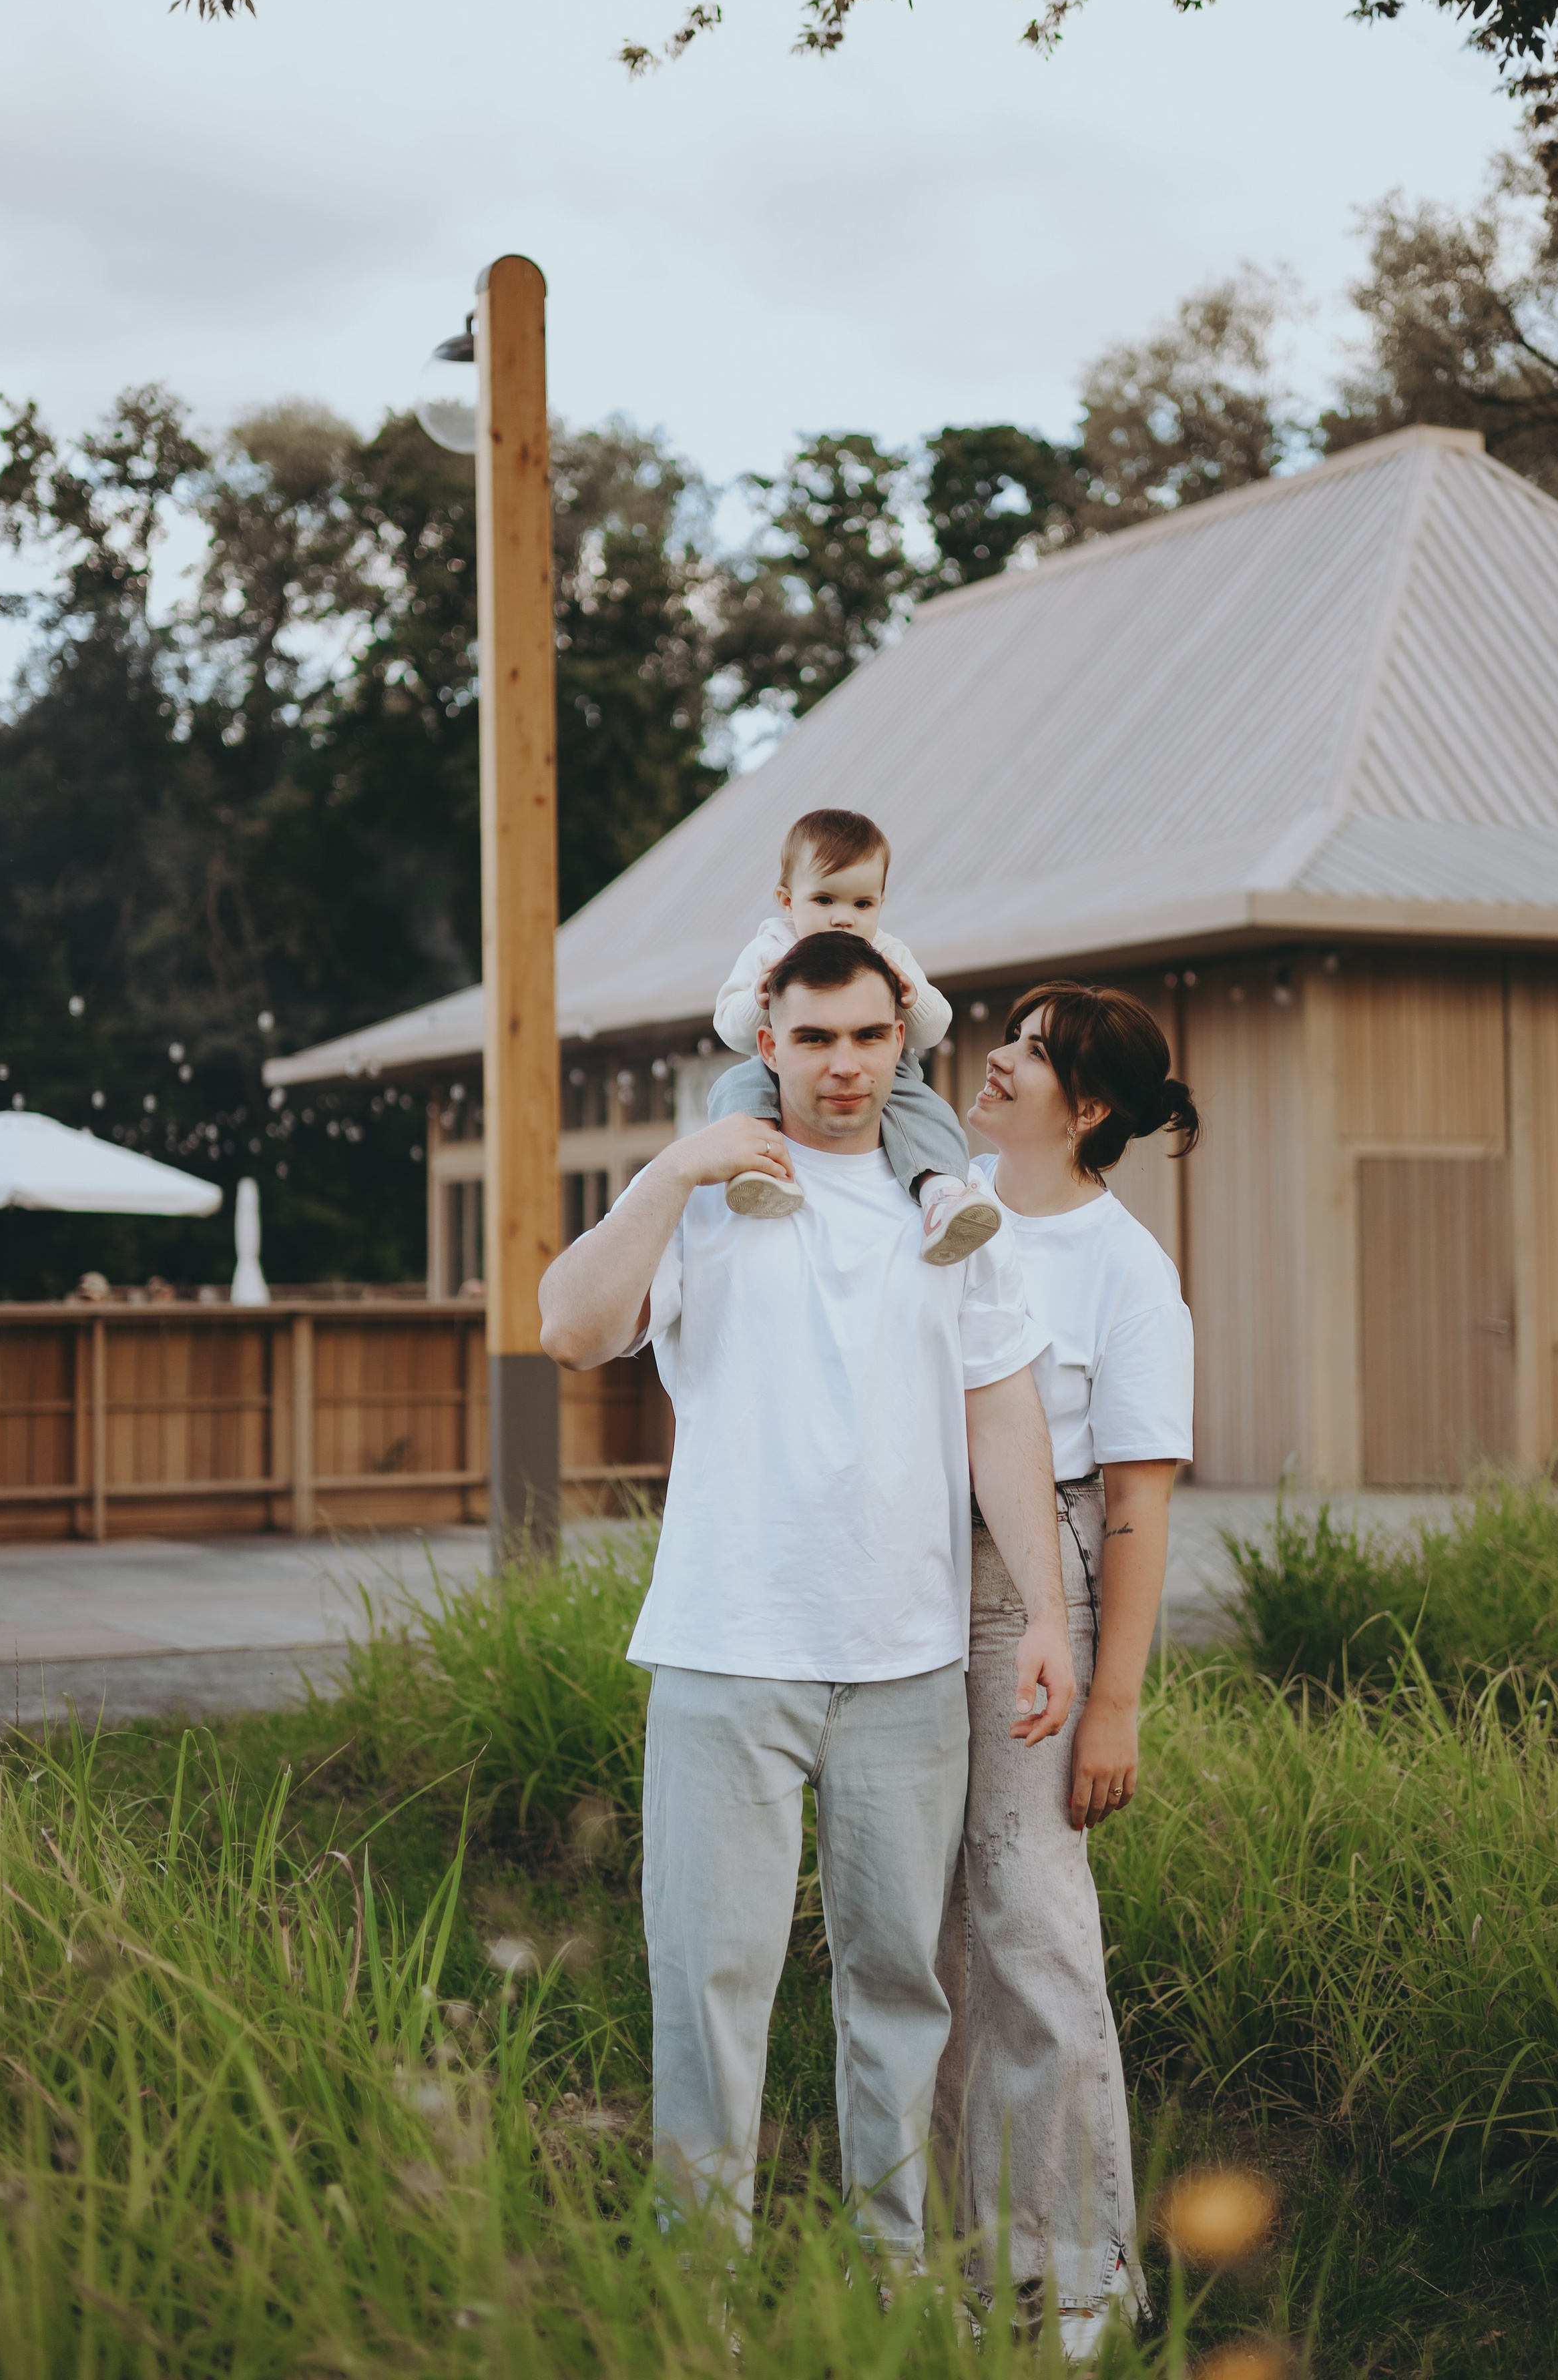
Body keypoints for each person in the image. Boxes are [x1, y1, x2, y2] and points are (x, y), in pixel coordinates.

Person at [538, 928, 1075, 2268]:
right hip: (727, 1652)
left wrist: (1054, 1619)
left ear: (905, 1042)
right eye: (813, 1037)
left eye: (866, 1038)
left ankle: (885, 2275)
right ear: (763, 1040)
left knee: (898, 1987)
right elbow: (568, 1326)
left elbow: (1003, 1422)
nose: (841, 1065)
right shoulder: (711, 1194)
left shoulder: (948, 1206)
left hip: (905, 1662)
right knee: (708, 1985)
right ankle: (697, 2286)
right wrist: (668, 1171)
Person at [934, 981, 1199, 2359]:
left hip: (1039, 1599)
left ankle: (1071, 2276)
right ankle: (956, 2260)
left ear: (1086, 1105)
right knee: (928, 1937)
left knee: (1029, 1927)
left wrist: (1114, 1706)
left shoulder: (1122, 1268)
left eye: (1029, 1051)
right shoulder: (931, 1195)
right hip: (902, 1584)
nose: (994, 1056)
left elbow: (1139, 1507)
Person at [708, 805, 1001, 1266]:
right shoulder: (769, 948)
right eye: (824, 900)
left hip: (889, 1071)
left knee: (925, 1110)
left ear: (880, 903)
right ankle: (761, 1167)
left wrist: (912, 993)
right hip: (776, 1063)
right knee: (735, 1088)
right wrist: (757, 996)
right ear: (787, 901)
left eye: (862, 904)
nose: (844, 918)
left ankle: (941, 1193)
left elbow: (932, 1027)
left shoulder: (887, 951)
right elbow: (730, 1028)